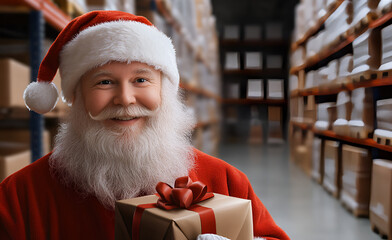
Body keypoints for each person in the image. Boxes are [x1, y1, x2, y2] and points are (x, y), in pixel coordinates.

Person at [0, 11, 289, 240]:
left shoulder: (226, 182)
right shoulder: (20, 198)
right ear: (75, 96)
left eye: (141, 79)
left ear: (164, 91)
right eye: (104, 82)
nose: (125, 99)